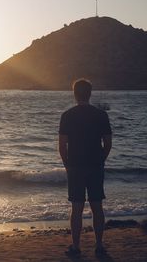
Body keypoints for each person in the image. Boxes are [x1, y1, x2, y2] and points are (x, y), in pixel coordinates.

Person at [58, 79, 112, 257]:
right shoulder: (101, 115)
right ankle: (99, 245)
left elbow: (62, 145)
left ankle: (76, 246)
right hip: (95, 165)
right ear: (90, 93)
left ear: (75, 94)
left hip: (75, 166)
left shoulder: (67, 115)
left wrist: (67, 164)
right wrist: (101, 159)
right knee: (97, 206)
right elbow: (108, 143)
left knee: (77, 208)